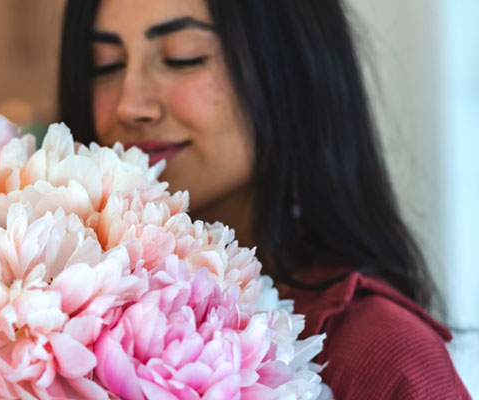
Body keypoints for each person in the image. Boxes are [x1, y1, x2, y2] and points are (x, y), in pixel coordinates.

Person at [58, 0, 471, 398]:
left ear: (294, 70)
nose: (131, 105)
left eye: (183, 57)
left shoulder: (382, 355)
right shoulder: (51, 320)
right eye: (105, 64)